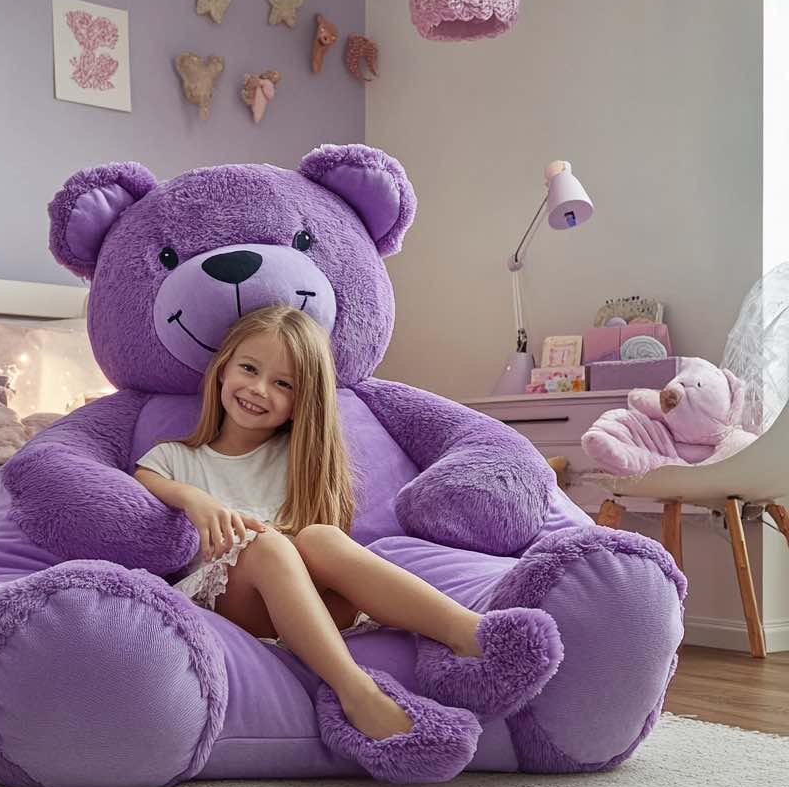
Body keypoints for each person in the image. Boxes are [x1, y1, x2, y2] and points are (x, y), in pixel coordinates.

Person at [133, 305, 561, 753]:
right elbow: (145, 484)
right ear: (222, 369)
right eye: (248, 368)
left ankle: (470, 634)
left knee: (320, 537)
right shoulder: (174, 458)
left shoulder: (298, 459)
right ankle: (356, 692)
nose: (259, 389)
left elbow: (316, 544)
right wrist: (195, 499)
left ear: (301, 403)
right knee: (267, 546)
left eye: (283, 384)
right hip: (226, 601)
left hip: (301, 601)